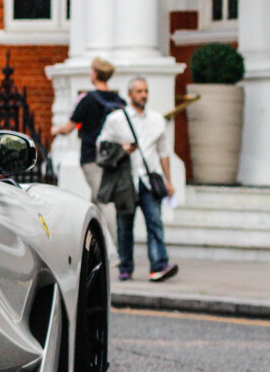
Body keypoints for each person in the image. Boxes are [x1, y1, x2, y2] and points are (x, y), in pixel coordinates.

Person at [98, 77, 178, 282]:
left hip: (149, 180)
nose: (144, 95)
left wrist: (168, 181)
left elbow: (163, 152)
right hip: (125, 182)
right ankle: (125, 267)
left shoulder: (157, 120)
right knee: (125, 227)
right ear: (130, 94)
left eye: (146, 91)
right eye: (139, 91)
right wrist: (121, 149)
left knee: (155, 223)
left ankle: (159, 266)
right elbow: (102, 148)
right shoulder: (116, 119)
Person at [50, 57, 126, 204]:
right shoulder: (119, 101)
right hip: (113, 157)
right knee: (99, 197)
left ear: (95, 74)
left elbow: (69, 128)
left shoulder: (87, 99)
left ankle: (112, 229)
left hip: (92, 157)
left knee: (103, 200)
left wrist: (56, 130)